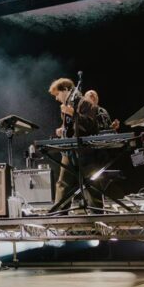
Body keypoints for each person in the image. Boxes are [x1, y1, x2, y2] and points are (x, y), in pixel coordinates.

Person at [49, 78, 100, 212]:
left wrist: (73, 113)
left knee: (91, 183)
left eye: (57, 94)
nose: (56, 98)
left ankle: (98, 215)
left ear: (66, 90)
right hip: (69, 150)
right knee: (63, 184)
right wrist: (62, 130)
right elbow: (71, 127)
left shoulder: (85, 103)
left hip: (85, 151)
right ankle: (60, 214)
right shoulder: (66, 106)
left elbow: (91, 125)